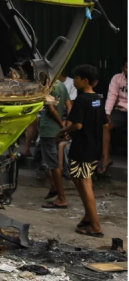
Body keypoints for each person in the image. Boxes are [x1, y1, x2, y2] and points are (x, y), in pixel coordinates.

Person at [56, 64, 110, 238]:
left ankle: (95, 226)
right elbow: (104, 123)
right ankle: (88, 216)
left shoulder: (81, 100)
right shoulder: (98, 99)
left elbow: (77, 125)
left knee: (84, 182)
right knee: (80, 179)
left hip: (82, 148)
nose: (75, 81)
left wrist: (62, 132)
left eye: (77, 78)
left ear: (85, 80)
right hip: (94, 147)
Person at [39, 75, 71, 209]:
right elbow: (69, 105)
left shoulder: (47, 87)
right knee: (56, 162)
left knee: (53, 165)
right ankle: (54, 187)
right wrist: (66, 125)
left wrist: (62, 125)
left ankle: (61, 197)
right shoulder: (61, 84)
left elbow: (51, 110)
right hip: (59, 130)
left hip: (49, 129)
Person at [106, 61, 127, 161]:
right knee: (105, 126)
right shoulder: (117, 78)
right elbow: (112, 96)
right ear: (123, 68)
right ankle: (105, 158)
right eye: (127, 67)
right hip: (120, 110)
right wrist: (107, 113)